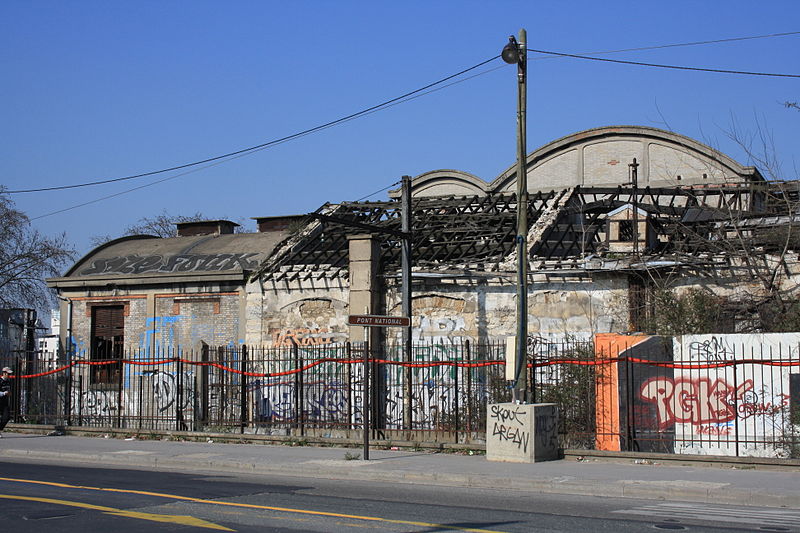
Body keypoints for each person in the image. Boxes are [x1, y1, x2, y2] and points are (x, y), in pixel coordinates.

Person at [0, 366, 13, 437]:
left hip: (5, 402)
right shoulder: (0, 381)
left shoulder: (8, 381)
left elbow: (8, 390)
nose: (9, 375)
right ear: (4, 373)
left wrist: (9, 393)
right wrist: (4, 393)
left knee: (7, 417)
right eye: (8, 374)